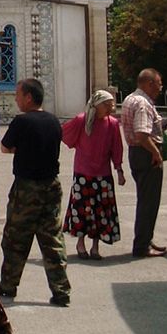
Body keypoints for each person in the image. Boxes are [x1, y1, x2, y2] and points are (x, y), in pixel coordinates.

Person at [0, 78, 71, 306]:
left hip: (27, 188)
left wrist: (22, 148)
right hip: (51, 185)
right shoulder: (53, 121)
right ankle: (61, 290)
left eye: (19, 95)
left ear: (29, 97)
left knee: (16, 238)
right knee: (52, 238)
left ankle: (9, 285)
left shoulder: (22, 122)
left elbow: (5, 147)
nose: (17, 99)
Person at [62, 89, 125, 260]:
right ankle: (80, 243)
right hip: (83, 173)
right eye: (107, 104)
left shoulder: (112, 123)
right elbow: (65, 134)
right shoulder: (82, 120)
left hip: (103, 174)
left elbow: (116, 148)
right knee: (83, 209)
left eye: (112, 103)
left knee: (101, 210)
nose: (111, 107)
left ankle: (95, 246)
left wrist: (119, 169)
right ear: (97, 105)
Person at [120, 68, 167, 258]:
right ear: (149, 84)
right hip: (146, 154)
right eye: (159, 83)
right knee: (149, 201)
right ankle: (142, 246)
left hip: (137, 154)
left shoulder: (131, 99)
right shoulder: (142, 103)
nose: (161, 88)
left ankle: (145, 239)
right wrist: (156, 153)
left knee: (145, 199)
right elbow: (141, 134)